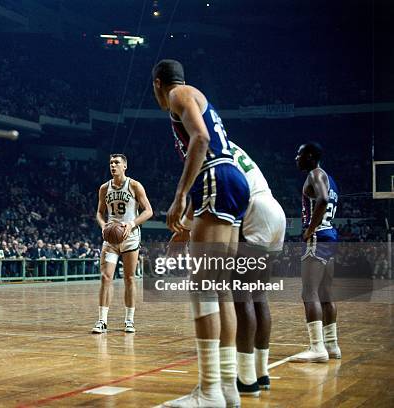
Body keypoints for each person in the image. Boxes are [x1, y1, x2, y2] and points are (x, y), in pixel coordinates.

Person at [152, 59, 250, 408]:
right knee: (220, 290)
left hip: (215, 176)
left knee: (203, 287)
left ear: (158, 84)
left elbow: (201, 138)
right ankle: (226, 388)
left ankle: (209, 390)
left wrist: (180, 196)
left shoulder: (179, 93)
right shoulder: (195, 94)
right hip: (232, 180)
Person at [227, 140, 286, 396]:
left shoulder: (209, 147)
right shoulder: (234, 146)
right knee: (259, 296)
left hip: (256, 212)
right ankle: (262, 374)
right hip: (275, 209)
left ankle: (247, 379)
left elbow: (232, 199)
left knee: (242, 299)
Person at [290, 142, 341, 363]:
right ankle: (332, 345)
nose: (296, 158)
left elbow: (322, 199)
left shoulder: (315, 174)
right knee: (326, 295)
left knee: (308, 293)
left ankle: (317, 347)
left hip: (318, 237)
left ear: (310, 156)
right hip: (330, 236)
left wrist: (310, 229)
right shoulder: (330, 178)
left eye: (299, 154)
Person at [93, 154, 153, 334]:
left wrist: (132, 223)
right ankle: (102, 321)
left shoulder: (134, 185)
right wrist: (104, 226)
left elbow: (149, 211)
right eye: (111, 162)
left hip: (130, 236)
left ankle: (129, 320)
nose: (113, 165)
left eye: (117, 163)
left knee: (129, 278)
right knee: (106, 277)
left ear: (124, 166)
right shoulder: (104, 188)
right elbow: (98, 213)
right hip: (111, 238)